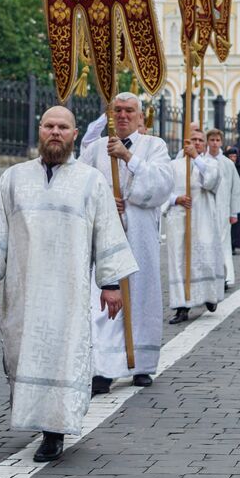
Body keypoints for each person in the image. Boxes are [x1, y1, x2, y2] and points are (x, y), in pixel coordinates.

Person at [0, 107, 138, 463]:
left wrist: (110, 283)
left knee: (62, 354)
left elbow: (107, 232)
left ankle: (55, 431)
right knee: (21, 353)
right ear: (39, 131)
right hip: (23, 290)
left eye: (63, 127)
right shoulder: (13, 178)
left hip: (67, 291)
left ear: (74, 133)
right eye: (49, 126)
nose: (55, 132)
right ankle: (38, 416)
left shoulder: (91, 180)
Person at [79, 93, 173, 393]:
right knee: (105, 297)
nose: (122, 115)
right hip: (105, 235)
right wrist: (106, 203)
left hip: (140, 235)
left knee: (141, 295)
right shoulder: (94, 149)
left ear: (139, 116)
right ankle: (103, 367)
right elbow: (80, 186)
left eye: (129, 111)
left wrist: (128, 159)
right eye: (117, 110)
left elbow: (162, 187)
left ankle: (142, 362)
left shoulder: (154, 146)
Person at [165, 125, 224, 323]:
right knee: (179, 262)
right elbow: (163, 191)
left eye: (200, 140)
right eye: (193, 140)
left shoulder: (210, 164)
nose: (197, 143)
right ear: (186, 142)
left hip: (202, 219)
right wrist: (176, 199)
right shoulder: (174, 166)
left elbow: (212, 181)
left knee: (204, 259)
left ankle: (208, 295)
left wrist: (197, 159)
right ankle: (181, 306)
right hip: (179, 220)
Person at [204, 129, 240, 289]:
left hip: (223, 210)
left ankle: (225, 276)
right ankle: (209, 275)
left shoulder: (228, 164)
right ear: (207, 142)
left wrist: (234, 212)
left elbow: (234, 189)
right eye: (212, 140)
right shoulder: (202, 161)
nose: (215, 143)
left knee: (223, 244)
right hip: (206, 211)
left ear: (221, 142)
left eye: (217, 140)